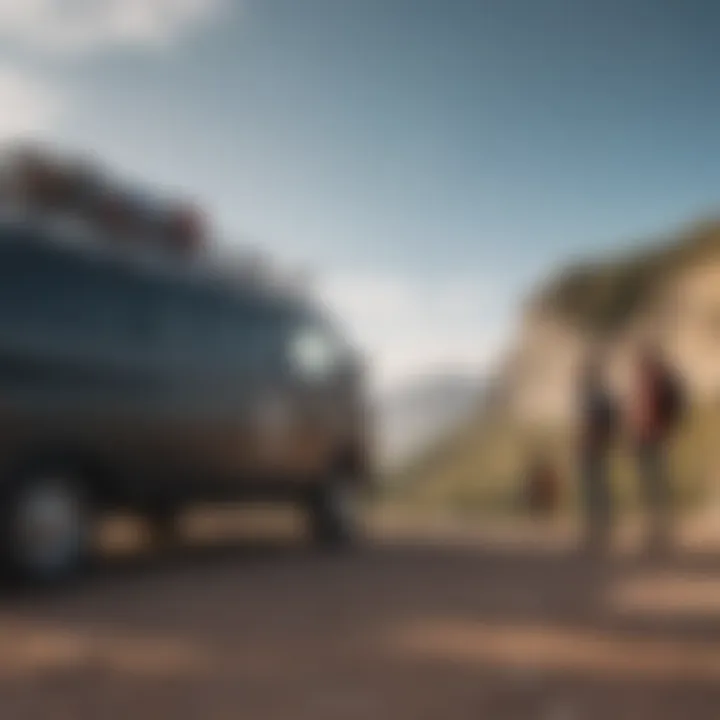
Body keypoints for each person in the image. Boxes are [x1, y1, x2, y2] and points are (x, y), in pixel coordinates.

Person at [630, 344, 685, 553]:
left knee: (658, 483)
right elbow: (636, 412)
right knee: (648, 484)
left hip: (657, 436)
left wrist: (669, 429)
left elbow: (674, 407)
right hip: (643, 438)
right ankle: (653, 529)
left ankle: (663, 529)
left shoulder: (664, 383)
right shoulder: (643, 384)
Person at [577, 353, 616, 552]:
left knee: (596, 490)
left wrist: (598, 439)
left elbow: (601, 423)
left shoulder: (597, 397)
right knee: (593, 489)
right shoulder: (595, 397)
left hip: (595, 447)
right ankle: (596, 530)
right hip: (590, 447)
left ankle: (600, 531)